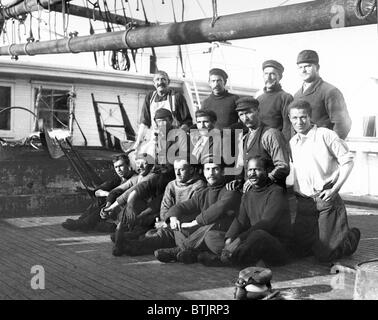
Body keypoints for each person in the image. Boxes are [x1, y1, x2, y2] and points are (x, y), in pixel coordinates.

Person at [117, 157, 242, 263]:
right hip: (197, 233)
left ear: (223, 172)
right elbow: (180, 207)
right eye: (208, 169)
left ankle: (181, 250)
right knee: (176, 227)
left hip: (219, 233)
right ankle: (130, 246)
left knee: (208, 229)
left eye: (215, 169)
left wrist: (193, 223)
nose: (211, 173)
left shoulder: (230, 189)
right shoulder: (204, 192)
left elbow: (217, 210)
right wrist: (173, 218)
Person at [288, 99, 360, 262]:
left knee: (325, 255)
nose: (299, 122)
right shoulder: (293, 142)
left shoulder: (325, 135)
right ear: (290, 119)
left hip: (326, 199)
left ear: (310, 116)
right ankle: (324, 235)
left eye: (303, 117)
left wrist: (334, 190)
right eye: (295, 118)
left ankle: (349, 237)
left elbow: (348, 162)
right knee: (297, 251)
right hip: (305, 203)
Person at [211, 156, 292, 268]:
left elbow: (266, 224)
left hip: (275, 245)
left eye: (257, 169)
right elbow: (240, 221)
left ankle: (228, 259)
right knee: (212, 236)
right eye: (249, 170)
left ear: (267, 171)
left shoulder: (277, 192)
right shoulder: (247, 194)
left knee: (258, 235)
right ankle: (235, 257)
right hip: (251, 240)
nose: (252, 174)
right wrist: (229, 240)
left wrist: (238, 240)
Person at [61, 154, 135, 232]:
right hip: (112, 211)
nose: (118, 170)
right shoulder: (118, 180)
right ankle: (81, 221)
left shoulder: (133, 179)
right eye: (116, 167)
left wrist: (110, 197)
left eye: (121, 166)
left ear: (128, 165)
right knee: (101, 199)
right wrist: (107, 194)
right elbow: (97, 191)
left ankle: (83, 224)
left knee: (109, 201)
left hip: (124, 210)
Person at [230, 97, 290, 190]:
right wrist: (238, 180)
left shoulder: (271, 134)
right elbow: (240, 165)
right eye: (241, 114)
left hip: (272, 192)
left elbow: (283, 167)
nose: (245, 118)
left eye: (249, 113)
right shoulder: (244, 139)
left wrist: (262, 179)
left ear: (258, 111)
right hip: (253, 194)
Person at [294, 50, 352, 140]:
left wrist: (331, 145)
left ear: (317, 67)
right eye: (300, 67)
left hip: (323, 146)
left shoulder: (330, 91)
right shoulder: (297, 95)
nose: (303, 70)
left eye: (308, 66)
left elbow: (343, 124)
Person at [132, 70, 192, 151]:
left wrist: (178, 137)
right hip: (155, 139)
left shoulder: (177, 97)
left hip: (173, 139)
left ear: (168, 82)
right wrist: (138, 142)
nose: (160, 82)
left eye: (163, 79)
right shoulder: (150, 97)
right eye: (157, 79)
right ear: (153, 83)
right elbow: (145, 122)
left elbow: (187, 122)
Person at [257, 60, 293, 141]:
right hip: (260, 143)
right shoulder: (259, 99)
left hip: (276, 143)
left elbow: (288, 126)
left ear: (279, 77)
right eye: (266, 74)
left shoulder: (286, 97)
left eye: (272, 74)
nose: (268, 77)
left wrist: (285, 146)